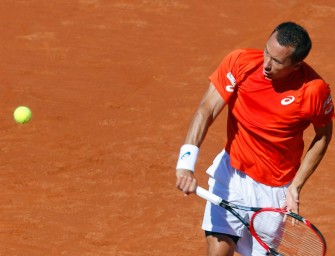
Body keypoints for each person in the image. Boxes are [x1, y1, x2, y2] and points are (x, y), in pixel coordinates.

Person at [175, 21, 334, 256]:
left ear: (297, 65)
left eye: (277, 61)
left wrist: (296, 186)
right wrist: (186, 163)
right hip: (231, 174)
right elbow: (206, 110)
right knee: (217, 251)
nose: (266, 64)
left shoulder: (313, 90)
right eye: (266, 52)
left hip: (274, 190)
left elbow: (323, 135)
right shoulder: (241, 62)